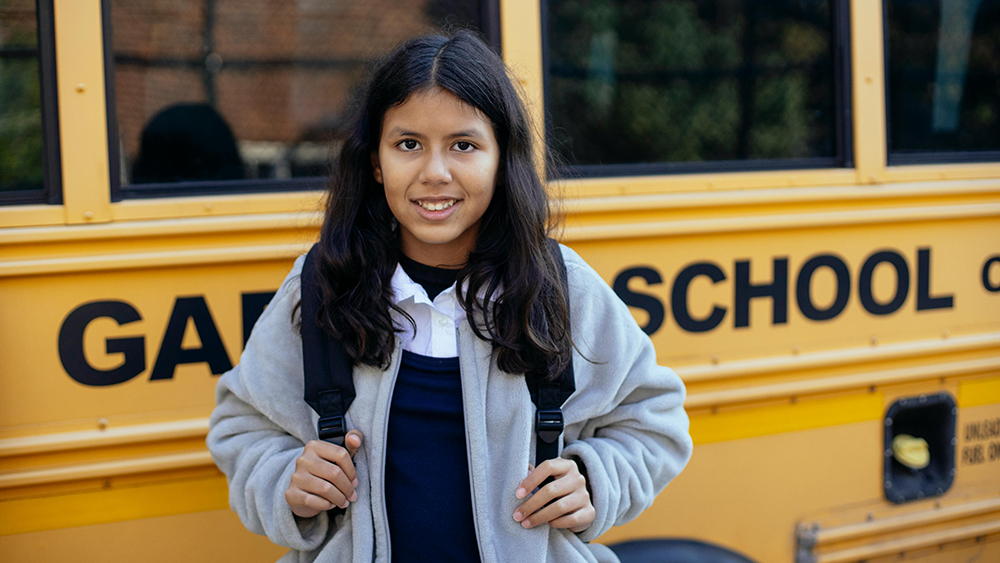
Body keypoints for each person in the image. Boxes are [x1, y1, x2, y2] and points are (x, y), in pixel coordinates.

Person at [207, 31, 692, 563]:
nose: (434, 173)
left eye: (463, 145)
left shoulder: (558, 286)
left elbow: (655, 419)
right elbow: (242, 426)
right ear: (375, 162)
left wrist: (594, 482)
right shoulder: (324, 285)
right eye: (408, 144)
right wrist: (286, 484)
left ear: (502, 158)